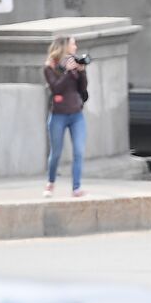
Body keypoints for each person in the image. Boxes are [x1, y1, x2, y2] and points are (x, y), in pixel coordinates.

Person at [43, 35, 87, 198]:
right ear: (64, 46)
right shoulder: (50, 67)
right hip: (58, 115)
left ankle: (76, 187)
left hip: (76, 114)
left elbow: (82, 88)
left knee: (79, 151)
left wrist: (81, 73)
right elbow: (56, 88)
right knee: (56, 153)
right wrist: (68, 72)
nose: (75, 47)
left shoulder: (74, 64)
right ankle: (51, 182)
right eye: (73, 44)